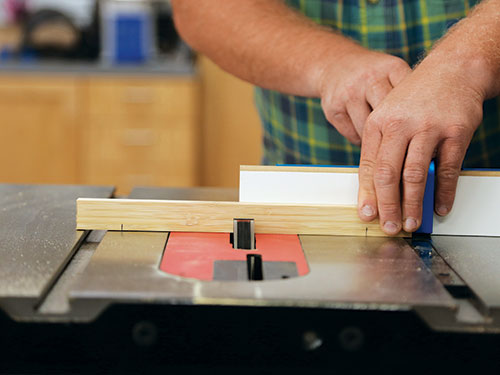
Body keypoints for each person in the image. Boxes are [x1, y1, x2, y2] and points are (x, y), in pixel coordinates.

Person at [171, 0, 500, 235]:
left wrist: (465, 64)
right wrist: (328, 63)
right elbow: (202, 7)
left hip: (485, 197)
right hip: (298, 196)